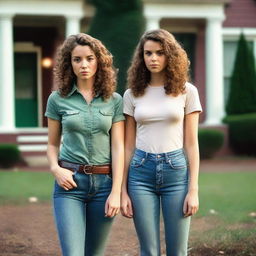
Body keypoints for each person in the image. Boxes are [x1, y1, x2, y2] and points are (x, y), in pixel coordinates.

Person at [121, 29, 202, 256]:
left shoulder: (187, 91)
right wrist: (123, 190)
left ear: (170, 56)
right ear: (141, 57)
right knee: (149, 250)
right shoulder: (131, 94)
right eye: (148, 53)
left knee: (177, 250)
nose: (153, 58)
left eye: (159, 53)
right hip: (140, 174)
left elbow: (192, 144)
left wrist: (193, 190)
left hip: (176, 173)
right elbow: (127, 146)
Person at [45, 33, 124, 256]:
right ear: (69, 63)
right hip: (70, 184)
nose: (84, 65)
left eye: (89, 58)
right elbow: (52, 145)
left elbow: (118, 147)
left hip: (104, 186)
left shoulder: (115, 100)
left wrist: (116, 192)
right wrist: (55, 169)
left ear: (99, 60)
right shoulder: (57, 99)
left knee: (94, 253)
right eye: (77, 59)